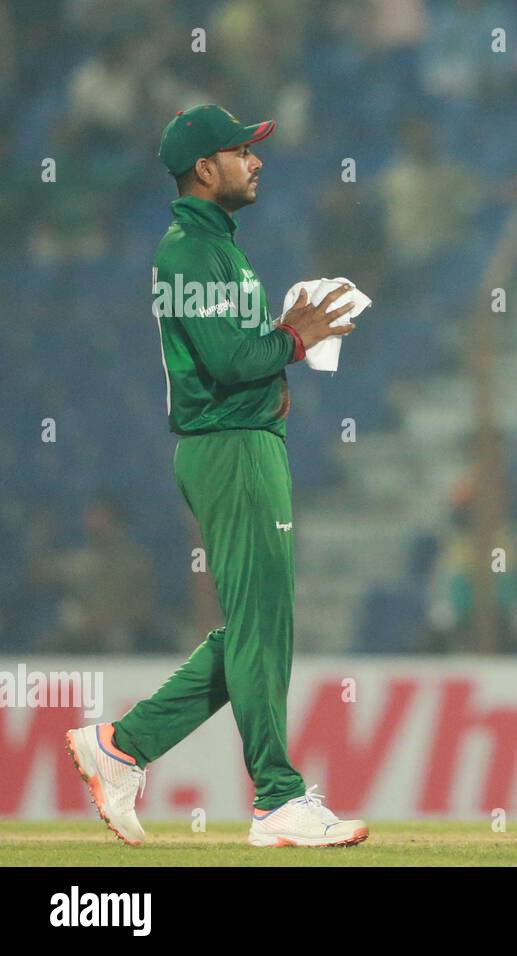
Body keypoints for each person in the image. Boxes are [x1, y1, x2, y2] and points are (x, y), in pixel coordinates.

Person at [65, 105, 367, 848]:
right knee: (264, 626)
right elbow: (233, 362)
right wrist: (297, 334)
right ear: (206, 169)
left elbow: (235, 348)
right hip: (230, 444)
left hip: (239, 443)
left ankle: (122, 748)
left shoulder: (208, 247)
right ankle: (276, 799)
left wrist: (283, 330)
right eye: (241, 151)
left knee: (258, 628)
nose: (255, 161)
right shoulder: (193, 252)